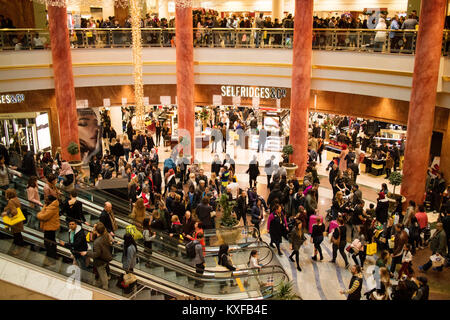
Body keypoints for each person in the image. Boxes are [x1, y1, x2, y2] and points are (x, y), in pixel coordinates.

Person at [80, 222, 113, 290]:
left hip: (101, 260)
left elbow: (96, 254)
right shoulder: (105, 236)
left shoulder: (97, 242)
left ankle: (105, 287)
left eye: (94, 229)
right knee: (103, 273)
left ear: (96, 231)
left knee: (102, 273)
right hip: (106, 257)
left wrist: (86, 253)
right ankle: (102, 284)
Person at [37, 195, 60, 266]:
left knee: (47, 243)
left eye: (47, 199)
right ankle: (54, 255)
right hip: (50, 226)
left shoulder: (51, 208)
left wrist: (38, 214)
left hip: (49, 227)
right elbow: (44, 211)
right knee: (52, 241)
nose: (45, 201)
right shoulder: (50, 206)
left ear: (50, 201)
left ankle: (51, 259)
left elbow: (43, 217)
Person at [1, 189, 24, 254]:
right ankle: (18, 248)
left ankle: (19, 249)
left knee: (17, 235)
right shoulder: (16, 199)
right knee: (18, 235)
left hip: (14, 221)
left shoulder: (11, 201)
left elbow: (14, 211)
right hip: (18, 221)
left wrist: (6, 213)